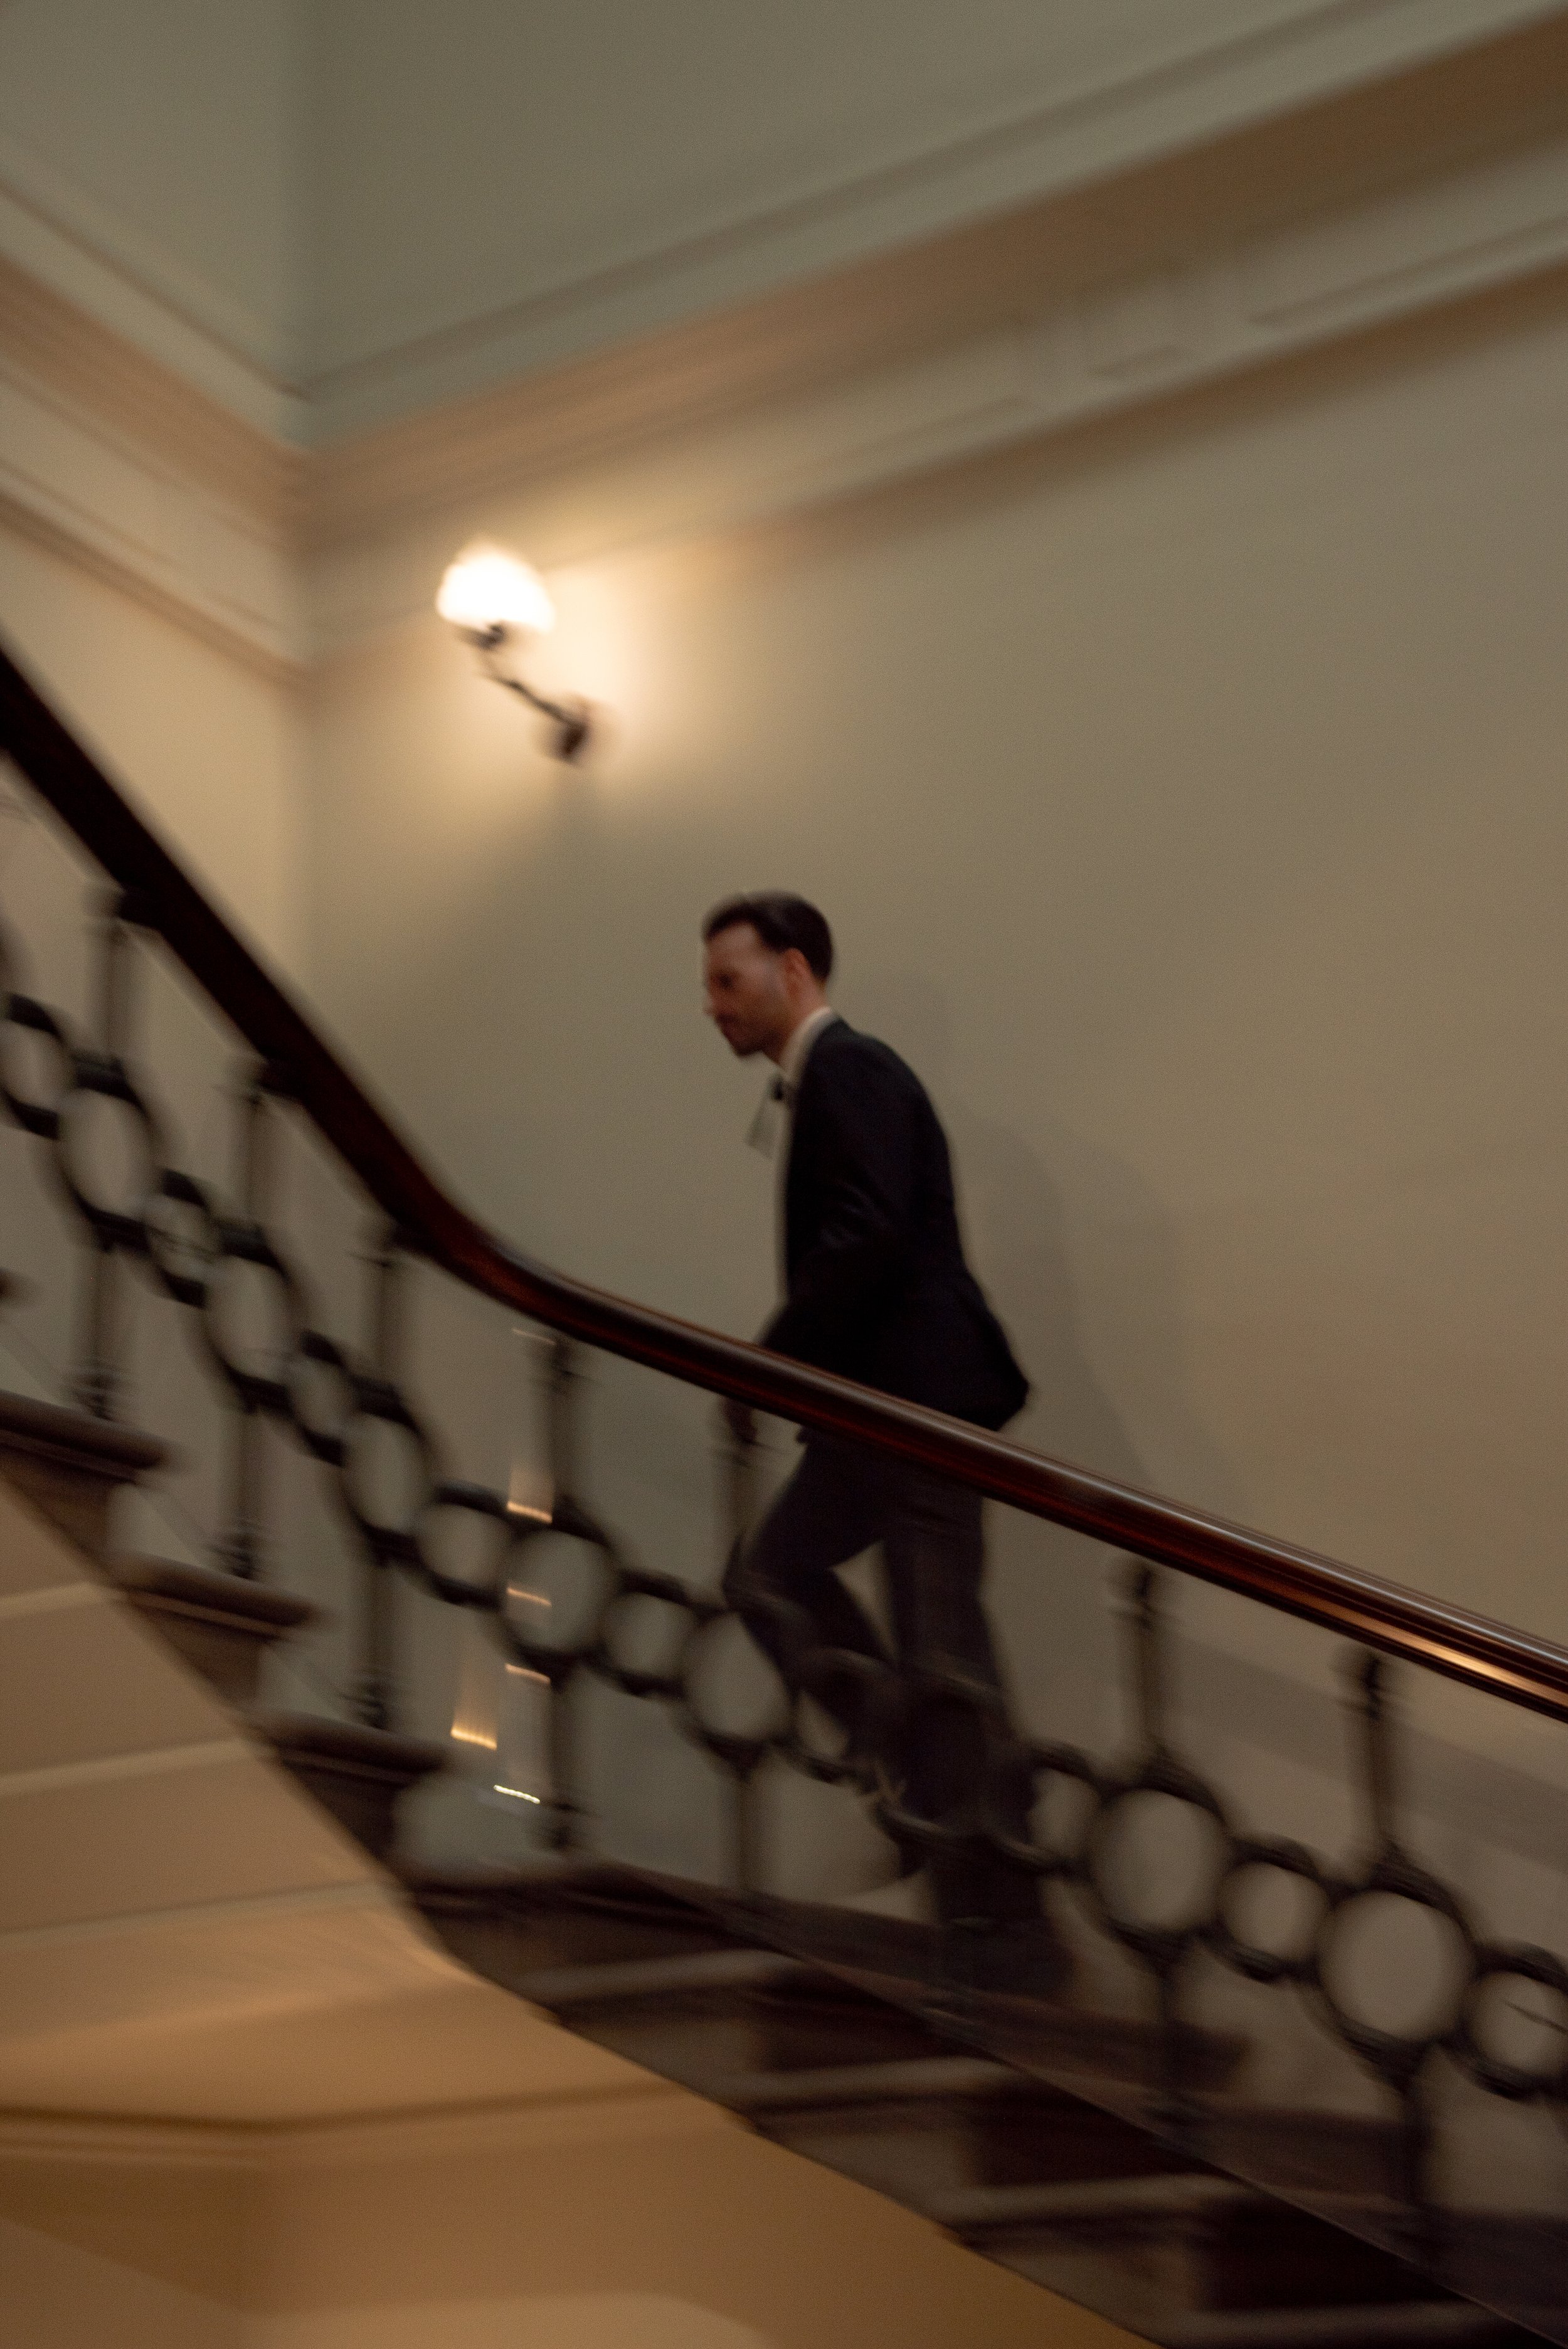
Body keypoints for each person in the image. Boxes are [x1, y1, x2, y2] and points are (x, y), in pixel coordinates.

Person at [702, 891, 1059, 1976]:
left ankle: (1005, 1923)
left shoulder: (850, 1067)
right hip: (877, 1408)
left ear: (794, 971)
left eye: (728, 979)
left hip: (913, 1405)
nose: (712, 1004)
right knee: (775, 1574)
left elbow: (866, 1229)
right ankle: (916, 1771)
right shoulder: (833, 1079)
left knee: (943, 1651)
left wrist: (769, 1360)